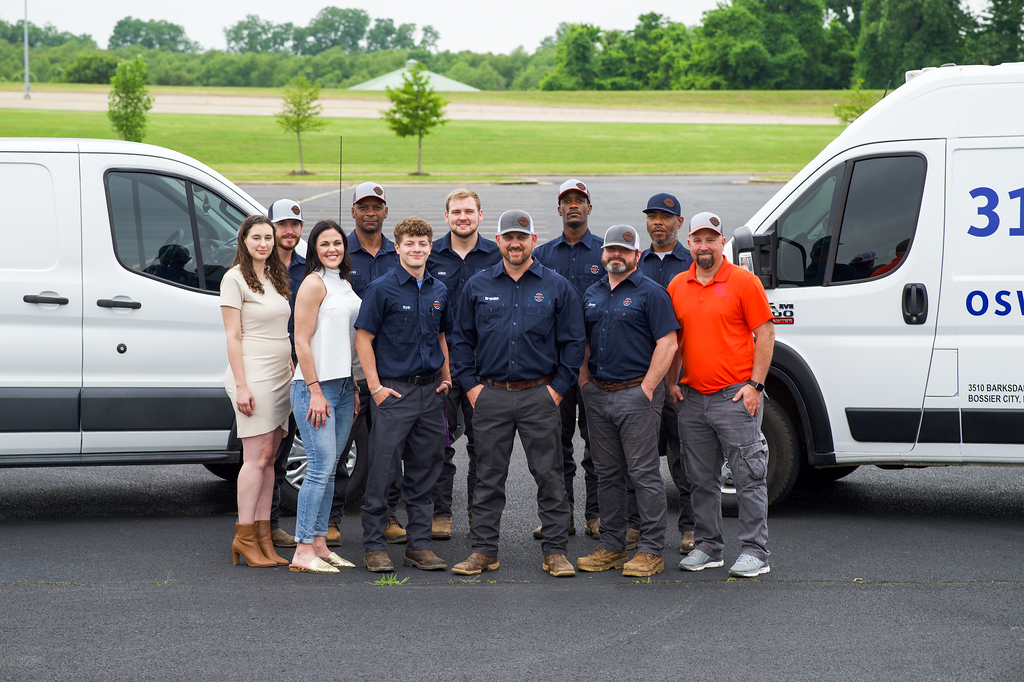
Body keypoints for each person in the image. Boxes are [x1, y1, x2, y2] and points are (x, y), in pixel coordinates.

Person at [450, 210, 584, 579]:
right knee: (487, 476)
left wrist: (558, 389)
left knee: (550, 474)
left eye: (521, 237)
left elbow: (574, 342)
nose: (514, 243)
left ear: (533, 240)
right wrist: (472, 386)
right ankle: (483, 551)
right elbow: (460, 339)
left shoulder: (556, 286)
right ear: (499, 241)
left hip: (539, 395)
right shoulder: (477, 286)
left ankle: (555, 551)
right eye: (508, 237)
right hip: (490, 394)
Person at [667, 212, 776, 578]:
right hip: (693, 397)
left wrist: (755, 385)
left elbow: (766, 334)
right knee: (700, 478)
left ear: (722, 242)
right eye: (697, 240)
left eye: (711, 239)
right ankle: (709, 546)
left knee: (748, 476)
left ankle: (755, 551)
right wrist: (671, 382)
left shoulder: (744, 282)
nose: (703, 246)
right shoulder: (678, 285)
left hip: (735, 397)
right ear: (689, 244)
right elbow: (674, 343)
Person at [576, 225, 679, 578]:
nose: (616, 255)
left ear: (637, 256)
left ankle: (651, 550)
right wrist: (585, 382)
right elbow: (584, 343)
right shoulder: (592, 293)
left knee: (644, 474)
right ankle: (612, 545)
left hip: (637, 395)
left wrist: (648, 388)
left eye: (624, 250)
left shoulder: (652, 293)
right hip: (599, 395)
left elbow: (668, 343)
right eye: (611, 250)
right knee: (607, 474)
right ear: (603, 255)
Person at [355, 216, 453, 573]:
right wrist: (376, 388)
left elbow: (442, 336)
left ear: (430, 247)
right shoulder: (381, 289)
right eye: (409, 244)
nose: (416, 249)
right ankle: (374, 545)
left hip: (431, 393)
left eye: (422, 244)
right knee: (382, 471)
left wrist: (446, 376)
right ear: (397, 248)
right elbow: (363, 339)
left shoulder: (438, 290)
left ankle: (419, 546)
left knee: (425, 471)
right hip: (394, 392)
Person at [326, 182, 406, 547]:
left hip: (391, 368)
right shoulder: (340, 252)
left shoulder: (399, 253)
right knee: (341, 447)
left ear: (386, 212)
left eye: (377, 206)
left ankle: (389, 513)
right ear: (353, 211)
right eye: (363, 206)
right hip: (349, 367)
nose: (370, 212)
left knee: (388, 449)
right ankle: (332, 518)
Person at [426, 188, 501, 540]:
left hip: (483, 367)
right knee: (439, 444)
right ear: (447, 217)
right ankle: (441, 513)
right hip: (440, 367)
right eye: (456, 212)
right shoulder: (431, 254)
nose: (462, 217)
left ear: (480, 216)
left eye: (469, 211)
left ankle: (477, 513)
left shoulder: (495, 254)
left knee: (482, 446)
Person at [288, 220, 362, 574]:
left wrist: (356, 386)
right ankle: (302, 550)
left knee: (332, 469)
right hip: (314, 387)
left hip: (345, 386)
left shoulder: (344, 283)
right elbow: (301, 341)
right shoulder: (313, 284)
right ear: (313, 249)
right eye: (324, 244)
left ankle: (320, 544)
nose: (332, 249)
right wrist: (316, 390)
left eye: (337, 243)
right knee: (318, 469)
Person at [220, 215, 293, 568]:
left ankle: (264, 539)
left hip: (280, 375)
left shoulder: (276, 276)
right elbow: (233, 336)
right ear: (243, 240)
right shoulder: (234, 279)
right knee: (256, 459)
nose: (263, 243)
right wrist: (242, 385)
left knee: (269, 461)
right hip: (254, 375)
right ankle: (244, 535)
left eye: (268, 237)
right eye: (256, 238)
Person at [532, 179, 603, 540]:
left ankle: (596, 515)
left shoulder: (606, 253)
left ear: (590, 208)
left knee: (597, 444)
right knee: (555, 446)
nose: (573, 205)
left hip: (596, 366)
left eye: (580, 200)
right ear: (558, 209)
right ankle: (561, 517)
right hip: (554, 367)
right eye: (566, 201)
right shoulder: (542, 255)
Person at [639, 192, 697, 555]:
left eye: (665, 216)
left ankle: (690, 528)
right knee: (639, 458)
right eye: (652, 216)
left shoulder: (692, 263)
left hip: (681, 378)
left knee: (684, 458)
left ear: (679, 222)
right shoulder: (635, 261)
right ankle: (636, 528)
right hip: (641, 376)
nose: (658, 222)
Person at [265, 199, 306, 549]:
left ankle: (273, 525)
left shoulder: (310, 269)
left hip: (301, 371)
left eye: (295, 225)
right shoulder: (257, 268)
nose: (289, 231)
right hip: (269, 369)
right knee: (266, 452)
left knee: (285, 447)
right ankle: (258, 525)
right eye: (282, 225)